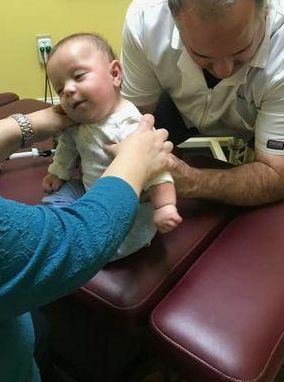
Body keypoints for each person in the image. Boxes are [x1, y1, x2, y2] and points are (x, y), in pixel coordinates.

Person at [0, 0, 174, 381]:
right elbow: (71, 242)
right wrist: (133, 161)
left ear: (114, 74)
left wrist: (44, 120)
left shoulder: (126, 118)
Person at [121, 0, 284, 206]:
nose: (224, 72)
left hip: (282, 106)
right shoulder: (146, 18)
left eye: (240, 51)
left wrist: (190, 181)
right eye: (202, 55)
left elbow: (276, 175)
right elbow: (132, 122)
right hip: (180, 103)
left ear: (266, 6)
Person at [42, 33, 182, 260]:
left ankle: (70, 244)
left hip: (124, 222)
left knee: (73, 234)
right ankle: (61, 230)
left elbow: (159, 170)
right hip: (92, 196)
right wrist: (58, 171)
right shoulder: (81, 120)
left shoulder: (129, 125)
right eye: (59, 89)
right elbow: (68, 145)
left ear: (114, 74)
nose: (67, 91)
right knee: (55, 200)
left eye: (78, 76)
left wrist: (165, 206)